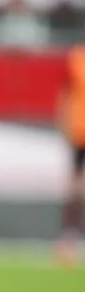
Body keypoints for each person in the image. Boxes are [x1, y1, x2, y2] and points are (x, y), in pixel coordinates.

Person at [56, 43, 85, 267]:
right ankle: (70, 237)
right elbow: (65, 93)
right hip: (79, 131)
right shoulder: (76, 58)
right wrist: (63, 122)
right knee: (75, 187)